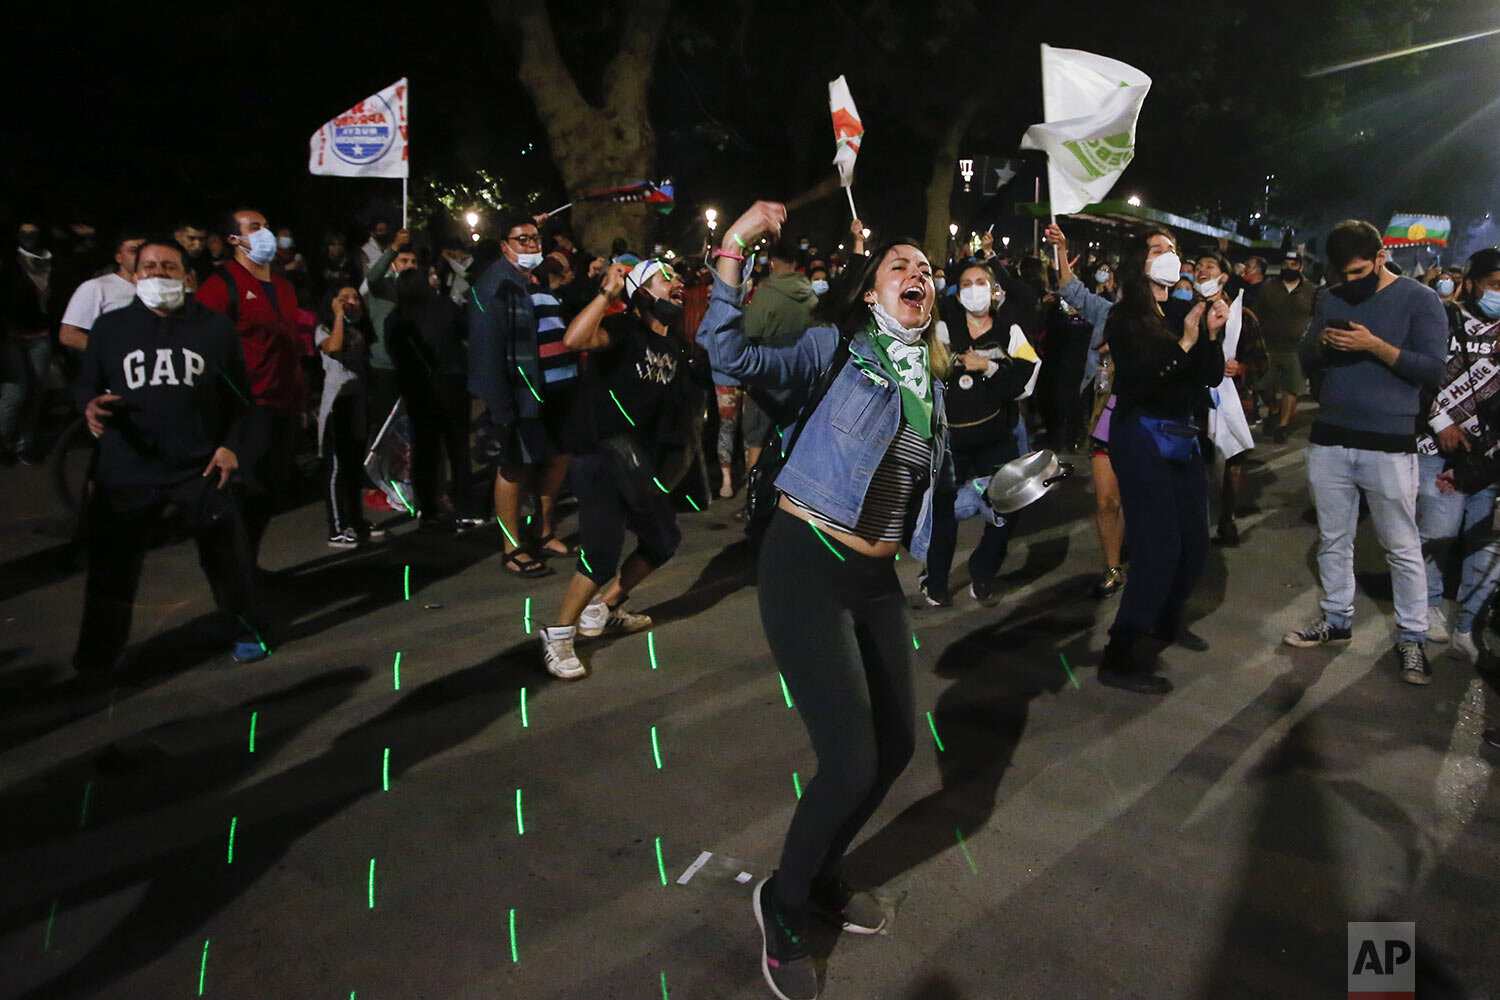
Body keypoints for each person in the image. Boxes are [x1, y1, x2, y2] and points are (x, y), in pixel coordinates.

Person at [701, 201, 953, 1000]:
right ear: (872, 292)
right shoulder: (836, 350)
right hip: (805, 561)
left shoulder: (930, 381)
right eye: (900, 265)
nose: (919, 274)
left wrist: (1000, 492)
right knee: (848, 762)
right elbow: (723, 347)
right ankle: (780, 903)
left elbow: (924, 494)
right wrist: (737, 244)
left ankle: (817, 876)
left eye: (927, 269)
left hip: (874, 578)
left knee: (896, 749)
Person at [72, 238, 267, 670]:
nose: (159, 274)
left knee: (227, 559)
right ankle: (97, 656)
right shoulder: (110, 328)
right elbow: (86, 383)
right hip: (127, 466)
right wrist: (87, 404)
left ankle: (244, 629)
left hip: (198, 466)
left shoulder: (215, 329)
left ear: (187, 276)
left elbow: (241, 398)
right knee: (112, 568)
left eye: (170, 267)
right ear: (135, 274)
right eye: (150, 267)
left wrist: (232, 445)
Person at [1283, 220, 1447, 686]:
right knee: (1334, 539)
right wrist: (1320, 343)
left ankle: (1412, 636)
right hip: (1331, 437)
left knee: (1401, 546)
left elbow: (1433, 369)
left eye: (1359, 272)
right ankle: (1336, 620)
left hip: (1390, 443)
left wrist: (1374, 346)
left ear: (1380, 257)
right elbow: (1306, 357)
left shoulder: (1420, 299)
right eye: (1343, 274)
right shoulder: (1331, 296)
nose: (1351, 282)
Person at [538, 257, 703, 679]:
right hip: (602, 456)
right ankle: (558, 634)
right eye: (665, 278)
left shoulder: (675, 345)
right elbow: (574, 340)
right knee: (600, 554)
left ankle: (606, 605)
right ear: (642, 293)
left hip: (640, 462)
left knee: (663, 538)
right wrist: (608, 293)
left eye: (677, 277)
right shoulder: (626, 330)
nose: (677, 283)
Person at [920, 260, 1039, 606]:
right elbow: (926, 373)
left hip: (997, 438)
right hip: (950, 440)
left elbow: (1023, 384)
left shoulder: (1011, 332)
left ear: (992, 289)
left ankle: (984, 569)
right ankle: (937, 579)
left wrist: (987, 366)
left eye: (980, 282)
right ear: (958, 294)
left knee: (1006, 507)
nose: (975, 289)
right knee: (942, 514)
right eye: (967, 283)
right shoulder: (942, 330)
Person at [195, 207, 305, 568]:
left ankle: (247, 567)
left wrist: (300, 401)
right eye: (255, 227)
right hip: (246, 409)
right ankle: (234, 578)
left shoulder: (284, 287)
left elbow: (290, 349)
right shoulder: (220, 286)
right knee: (242, 495)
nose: (265, 233)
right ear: (234, 239)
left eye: (267, 225)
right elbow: (201, 351)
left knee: (268, 495)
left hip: (282, 406)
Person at [467, 213, 577, 574]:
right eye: (522, 239)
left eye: (535, 238)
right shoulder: (495, 284)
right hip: (522, 392)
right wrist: (499, 405)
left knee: (556, 458)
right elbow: (487, 350)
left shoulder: (537, 277)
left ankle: (544, 532)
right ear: (504, 246)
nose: (532, 245)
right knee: (514, 467)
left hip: (557, 388)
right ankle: (512, 547)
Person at [1414, 248, 1500, 664]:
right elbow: (1419, 377)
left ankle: (1467, 625)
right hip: (1436, 446)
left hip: (1491, 456)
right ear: (1472, 282)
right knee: (1439, 529)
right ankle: (1429, 605)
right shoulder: (1442, 320)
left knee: (1483, 540)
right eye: (1497, 285)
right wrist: (1441, 423)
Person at [1047, 225, 1127, 598]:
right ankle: (1113, 568)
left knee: (1141, 500)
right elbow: (1069, 287)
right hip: (1107, 415)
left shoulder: (1173, 319)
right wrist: (1060, 248)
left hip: (1148, 421)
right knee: (1106, 500)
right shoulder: (1107, 311)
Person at [387, 266, 476, 531]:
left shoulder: (396, 318)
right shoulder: (444, 307)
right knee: (458, 448)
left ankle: (427, 509)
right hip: (452, 384)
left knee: (425, 451)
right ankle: (464, 507)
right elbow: (465, 330)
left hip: (418, 390)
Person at [1193, 251, 1268, 546]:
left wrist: (1242, 369)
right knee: (1197, 459)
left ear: (1224, 276)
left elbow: (1263, 360)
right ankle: (1195, 518)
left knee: (1233, 458)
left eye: (1209, 266)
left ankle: (1227, 519)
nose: (1201, 270)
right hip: (1196, 397)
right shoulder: (1187, 312)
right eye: (1198, 266)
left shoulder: (1243, 316)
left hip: (1234, 397)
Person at [738, 236, 820, 495]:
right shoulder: (811, 296)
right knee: (793, 440)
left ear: (772, 263)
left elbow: (749, 332)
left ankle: (754, 498)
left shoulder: (765, 294)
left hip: (766, 378)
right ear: (796, 262)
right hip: (800, 379)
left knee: (756, 441)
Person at [314, 286, 383, 547]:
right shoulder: (324, 329)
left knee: (354, 466)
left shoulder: (362, 332)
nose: (352, 303)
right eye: (344, 299)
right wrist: (338, 316)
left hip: (357, 402)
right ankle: (337, 527)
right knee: (336, 468)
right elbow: (333, 347)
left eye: (355, 299)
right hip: (336, 404)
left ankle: (355, 519)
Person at [0, 220, 56, 465]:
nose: (29, 238)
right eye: (24, 233)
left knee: (35, 392)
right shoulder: (10, 262)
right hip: (11, 336)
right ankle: (3, 442)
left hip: (40, 335)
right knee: (15, 392)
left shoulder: (50, 262)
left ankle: (25, 445)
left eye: (34, 233)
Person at [1253, 249, 1316, 442]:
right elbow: (1256, 313)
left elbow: (1315, 316)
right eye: (1285, 264)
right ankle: (1274, 409)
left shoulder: (1311, 290)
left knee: (1292, 387)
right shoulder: (1268, 287)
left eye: (1293, 264)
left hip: (1295, 348)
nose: (1289, 268)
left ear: (1301, 267)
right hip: (1268, 345)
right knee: (1262, 385)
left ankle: (1283, 425)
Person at [362, 228, 417, 434]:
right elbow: (372, 277)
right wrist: (394, 248)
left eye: (413, 262)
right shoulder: (383, 287)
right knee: (384, 427)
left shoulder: (418, 293)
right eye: (404, 261)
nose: (409, 266)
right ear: (393, 264)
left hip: (410, 367)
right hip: (384, 366)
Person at [59, 231, 146, 352]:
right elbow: (69, 335)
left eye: (145, 251)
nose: (141, 255)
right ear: (119, 257)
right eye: (134, 251)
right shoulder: (97, 287)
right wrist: (110, 353)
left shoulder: (156, 288)